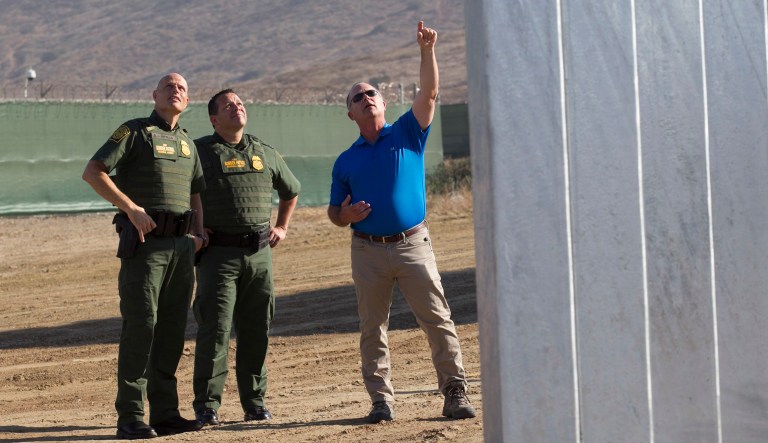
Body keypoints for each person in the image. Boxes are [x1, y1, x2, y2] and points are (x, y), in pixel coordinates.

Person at [327, 22, 476, 423]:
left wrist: (427, 51)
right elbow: (333, 214)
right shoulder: (346, 161)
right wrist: (346, 215)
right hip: (367, 251)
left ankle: (454, 390)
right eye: (358, 97)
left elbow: (428, 93)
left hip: (412, 244)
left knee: (437, 319)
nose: (366, 98)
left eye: (371, 92)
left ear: (382, 102)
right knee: (372, 328)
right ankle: (381, 401)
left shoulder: (408, 134)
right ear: (350, 113)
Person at [82, 73, 206, 439]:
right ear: (154, 96)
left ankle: (165, 412)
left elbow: (196, 191)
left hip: (181, 248)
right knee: (141, 326)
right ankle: (131, 416)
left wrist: (199, 232)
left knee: (172, 330)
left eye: (182, 87)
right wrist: (131, 207)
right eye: (169, 86)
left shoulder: (187, 144)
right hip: (145, 246)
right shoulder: (134, 132)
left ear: (188, 100)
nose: (176, 90)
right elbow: (93, 172)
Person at [191, 89, 300, 426]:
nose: (236, 108)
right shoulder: (199, 152)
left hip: (259, 254)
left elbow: (291, 190)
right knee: (216, 329)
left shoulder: (264, 152)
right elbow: (184, 191)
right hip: (218, 255)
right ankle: (207, 406)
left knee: (256, 329)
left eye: (239, 103)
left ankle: (255, 402)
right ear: (214, 119)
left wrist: (281, 226)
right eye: (228, 106)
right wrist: (194, 229)